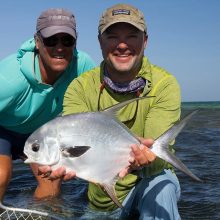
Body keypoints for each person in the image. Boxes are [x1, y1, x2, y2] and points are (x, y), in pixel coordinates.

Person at [60, 3, 182, 219]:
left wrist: (142, 154)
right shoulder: (80, 88)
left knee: (164, 187)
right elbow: (72, 144)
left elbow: (157, 158)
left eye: (132, 36)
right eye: (113, 36)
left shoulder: (165, 84)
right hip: (103, 196)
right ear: (100, 41)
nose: (122, 45)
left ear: (145, 40)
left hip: (151, 179)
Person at [0, 8, 96, 203]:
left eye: (67, 40)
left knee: (52, 182)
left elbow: (98, 109)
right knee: (1, 175)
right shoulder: (8, 80)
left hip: (42, 132)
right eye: (51, 40)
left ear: (75, 42)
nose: (59, 47)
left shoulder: (83, 65)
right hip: (3, 129)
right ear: (37, 42)